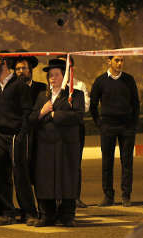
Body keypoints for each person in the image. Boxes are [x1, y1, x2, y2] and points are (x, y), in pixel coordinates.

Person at [30, 58, 84, 227]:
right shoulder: (42, 96)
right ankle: (47, 215)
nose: (52, 78)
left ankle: (67, 215)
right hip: (45, 146)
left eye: (56, 75)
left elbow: (77, 116)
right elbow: (31, 119)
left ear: (64, 76)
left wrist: (54, 115)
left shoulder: (74, 94)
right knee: (45, 180)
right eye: (50, 75)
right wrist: (41, 112)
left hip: (66, 145)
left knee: (67, 179)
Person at [0, 50, 38, 225]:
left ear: (4, 63)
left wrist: (21, 134)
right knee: (1, 176)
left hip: (16, 135)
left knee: (20, 175)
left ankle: (30, 212)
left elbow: (27, 112)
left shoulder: (19, 85)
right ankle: (8, 212)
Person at [90, 56, 140, 207]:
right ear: (109, 61)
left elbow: (136, 103)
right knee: (107, 162)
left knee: (127, 163)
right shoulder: (100, 81)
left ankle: (126, 195)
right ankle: (108, 195)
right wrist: (100, 124)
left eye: (122, 60)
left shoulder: (129, 80)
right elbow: (93, 105)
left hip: (127, 128)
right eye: (117, 60)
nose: (120, 63)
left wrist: (133, 124)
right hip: (107, 127)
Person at [57, 55, 90, 209]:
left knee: (75, 163)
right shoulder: (51, 85)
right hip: (56, 129)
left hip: (76, 129)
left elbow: (85, 108)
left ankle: (75, 197)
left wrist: (63, 111)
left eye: (64, 65)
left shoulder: (80, 85)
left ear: (71, 68)